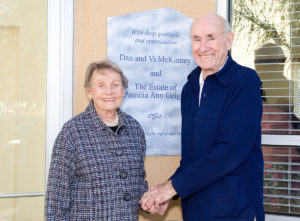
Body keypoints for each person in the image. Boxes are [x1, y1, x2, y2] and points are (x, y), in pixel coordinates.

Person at [139, 13, 265, 221]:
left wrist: (170, 188)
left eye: (210, 38)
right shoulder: (189, 89)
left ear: (229, 40)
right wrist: (168, 193)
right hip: (196, 211)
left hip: (235, 211)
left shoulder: (244, 81)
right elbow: (192, 159)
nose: (203, 47)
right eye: (196, 39)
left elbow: (230, 152)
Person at [46, 60, 148, 220]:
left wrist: (150, 201)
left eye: (115, 85)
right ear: (89, 92)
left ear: (123, 90)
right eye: (101, 85)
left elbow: (137, 181)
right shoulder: (72, 133)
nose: (109, 92)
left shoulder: (135, 129)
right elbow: (56, 200)